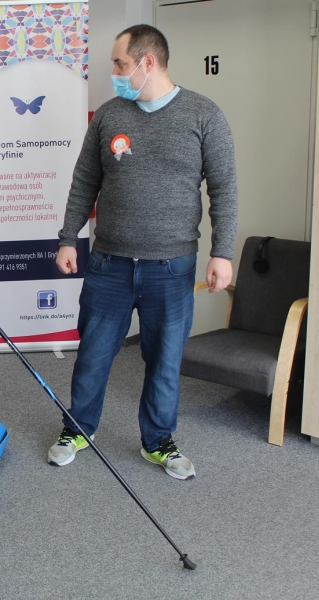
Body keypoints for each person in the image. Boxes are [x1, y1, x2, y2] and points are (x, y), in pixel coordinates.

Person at [48, 25, 237, 480]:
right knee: (93, 353)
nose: (113, 72)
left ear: (147, 62)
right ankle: (78, 428)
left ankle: (158, 442)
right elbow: (84, 181)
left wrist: (223, 252)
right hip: (109, 262)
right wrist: (68, 237)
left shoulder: (204, 115)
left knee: (165, 360)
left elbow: (224, 189)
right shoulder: (110, 115)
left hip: (171, 268)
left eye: (119, 64)